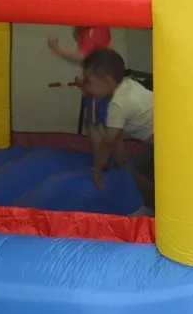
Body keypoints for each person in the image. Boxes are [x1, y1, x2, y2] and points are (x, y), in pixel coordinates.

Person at [80, 48, 155, 215]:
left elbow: (108, 141)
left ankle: (152, 207)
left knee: (139, 170)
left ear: (107, 81)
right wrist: (120, 156)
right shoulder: (129, 84)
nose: (86, 86)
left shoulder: (117, 105)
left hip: (166, 140)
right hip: (171, 130)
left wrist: (97, 169)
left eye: (88, 81)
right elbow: (117, 131)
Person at [48, 27, 113, 132]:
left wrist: (56, 48)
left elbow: (82, 57)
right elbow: (87, 52)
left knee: (97, 126)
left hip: (98, 90)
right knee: (96, 125)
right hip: (98, 86)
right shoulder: (89, 31)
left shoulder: (94, 30)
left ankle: (107, 144)